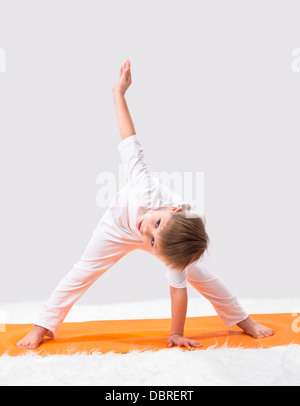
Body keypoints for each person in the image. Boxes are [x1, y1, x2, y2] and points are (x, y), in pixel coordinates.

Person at [16, 60, 274, 350]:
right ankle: (43, 326)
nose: (146, 229)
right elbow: (130, 143)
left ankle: (242, 319)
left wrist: (176, 333)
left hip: (169, 244)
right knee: (82, 272)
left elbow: (178, 290)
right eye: (157, 224)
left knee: (201, 274)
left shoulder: (167, 245)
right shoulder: (148, 192)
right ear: (172, 210)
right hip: (116, 225)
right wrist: (119, 94)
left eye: (151, 238)